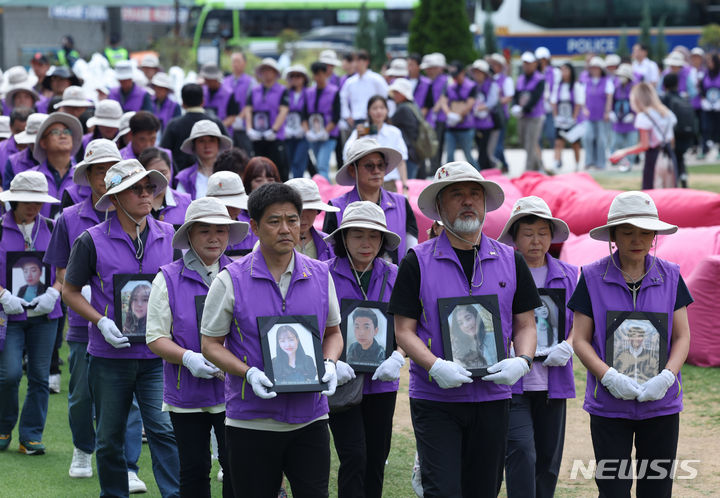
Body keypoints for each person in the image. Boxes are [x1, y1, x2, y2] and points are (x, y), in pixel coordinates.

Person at [388, 161, 540, 497]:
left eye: (475, 194)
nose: (468, 201)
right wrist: (434, 365)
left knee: (483, 489)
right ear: (440, 207)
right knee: (442, 489)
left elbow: (526, 324)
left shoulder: (510, 260)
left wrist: (523, 360)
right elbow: (403, 331)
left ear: (485, 204)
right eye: (457, 195)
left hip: (493, 397)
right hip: (435, 399)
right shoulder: (417, 260)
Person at [200, 182, 342, 498]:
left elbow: (333, 333)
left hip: (311, 417)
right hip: (251, 421)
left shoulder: (320, 274)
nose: (285, 229)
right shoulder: (230, 279)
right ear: (254, 226)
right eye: (274, 221)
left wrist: (330, 363)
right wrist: (247, 372)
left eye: (292, 220)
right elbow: (210, 343)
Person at [62, 159, 180, 497]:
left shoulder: (170, 235)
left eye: (149, 188)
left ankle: (174, 494)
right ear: (115, 198)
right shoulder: (90, 240)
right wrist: (99, 320)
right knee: (110, 436)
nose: (146, 194)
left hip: (159, 354)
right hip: (109, 355)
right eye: (136, 189)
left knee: (163, 429)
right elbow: (70, 291)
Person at [569, 191, 692, 497]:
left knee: (657, 488)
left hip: (660, 405)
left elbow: (682, 336)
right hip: (609, 406)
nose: (637, 239)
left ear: (654, 236)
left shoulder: (672, 276)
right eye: (627, 232)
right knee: (613, 488)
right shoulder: (592, 277)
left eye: (645, 232)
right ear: (613, 235)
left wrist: (667, 376)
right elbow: (580, 339)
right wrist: (607, 375)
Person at [44, 139, 146, 485]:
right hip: (85, 324)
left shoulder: (140, 213)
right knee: (82, 395)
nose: (105, 176)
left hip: (133, 327)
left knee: (128, 400)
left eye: (110, 168)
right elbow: (60, 272)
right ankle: (83, 447)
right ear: (87, 176)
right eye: (98, 170)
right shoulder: (69, 218)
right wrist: (87, 294)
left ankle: (128, 466)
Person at [147, 196, 248, 498]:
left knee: (236, 466)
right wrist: (188, 357)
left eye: (220, 230)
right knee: (193, 468)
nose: (214, 238)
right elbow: (155, 337)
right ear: (189, 235)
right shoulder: (167, 278)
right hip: (185, 393)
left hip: (234, 390)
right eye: (204, 231)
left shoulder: (241, 273)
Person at [497, 195, 577, 498]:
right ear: (515, 237)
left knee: (548, 459)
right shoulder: (502, 272)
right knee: (520, 452)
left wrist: (568, 346)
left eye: (543, 233)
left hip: (553, 381)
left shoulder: (569, 275)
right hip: (514, 381)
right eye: (528, 233)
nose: (536, 241)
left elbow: (581, 325)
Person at [323, 200, 403, 498]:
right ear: (344, 238)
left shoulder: (395, 274)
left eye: (373, 235)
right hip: (342, 382)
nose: (365, 243)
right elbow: (312, 324)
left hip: (383, 383)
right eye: (357, 235)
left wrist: (399, 355)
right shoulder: (324, 274)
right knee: (354, 456)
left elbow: (410, 324)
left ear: (383, 239)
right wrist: (328, 361)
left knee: (376, 459)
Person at [0, 171, 62, 455]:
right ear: (14, 200)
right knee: (9, 374)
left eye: (38, 200)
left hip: (45, 316)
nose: (33, 206)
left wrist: (55, 292)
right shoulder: (0, 228)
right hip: (7, 315)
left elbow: (66, 269)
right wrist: (2, 295)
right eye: (26, 200)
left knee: (39, 376)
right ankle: (3, 428)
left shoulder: (52, 227)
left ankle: (31, 435)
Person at [324, 138, 418, 264]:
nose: (376, 171)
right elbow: (329, 254)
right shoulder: (336, 207)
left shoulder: (401, 203)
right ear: (353, 170)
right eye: (369, 166)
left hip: (394, 282)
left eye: (380, 165)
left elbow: (411, 250)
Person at [609, 82, 678, 190]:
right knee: (670, 194)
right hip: (669, 156)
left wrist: (624, 152)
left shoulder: (643, 116)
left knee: (651, 194)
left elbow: (644, 145)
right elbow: (672, 139)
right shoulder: (667, 113)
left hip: (654, 157)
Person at [344, 96, 410, 192]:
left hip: (389, 184)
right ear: (368, 112)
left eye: (382, 108)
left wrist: (405, 186)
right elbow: (347, 154)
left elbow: (401, 161)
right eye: (374, 108)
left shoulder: (394, 132)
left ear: (387, 111)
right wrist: (358, 138)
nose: (378, 111)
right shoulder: (362, 130)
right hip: (367, 183)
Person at [161, 83, 229, 172]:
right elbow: (228, 151)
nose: (206, 145)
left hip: (179, 173)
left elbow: (164, 153)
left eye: (211, 140)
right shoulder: (215, 122)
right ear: (203, 101)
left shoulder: (173, 125)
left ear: (183, 104)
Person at [31, 112, 83, 218]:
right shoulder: (31, 177)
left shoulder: (84, 177)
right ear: (43, 143)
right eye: (55, 132)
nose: (63, 135)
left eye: (67, 131)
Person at [245, 58, 290, 180]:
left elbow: (283, 111)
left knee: (279, 169)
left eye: (269, 70)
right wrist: (249, 129)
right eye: (263, 70)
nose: (266, 73)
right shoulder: (254, 90)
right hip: (257, 135)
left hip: (274, 137)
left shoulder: (282, 90)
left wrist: (274, 130)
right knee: (258, 168)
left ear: (275, 73)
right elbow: (248, 110)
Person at [176, 120, 233, 199]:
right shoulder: (185, 177)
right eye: (201, 141)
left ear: (218, 144)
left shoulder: (230, 174)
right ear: (194, 146)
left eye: (211, 140)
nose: (207, 146)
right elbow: (181, 205)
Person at [206, 170, 257, 256]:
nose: (233, 210)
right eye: (226, 206)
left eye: (236, 205)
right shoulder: (199, 232)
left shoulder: (253, 228)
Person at [285, 177, 337, 261]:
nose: (303, 216)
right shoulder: (271, 243)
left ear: (317, 211)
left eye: (310, 209)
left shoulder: (329, 242)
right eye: (298, 210)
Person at [138, 147, 191, 227]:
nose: (160, 178)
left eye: (163, 173)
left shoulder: (186, 202)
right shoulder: (135, 203)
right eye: (153, 174)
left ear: (170, 171)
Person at [306, 61, 341, 181]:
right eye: (315, 75)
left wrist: (325, 131)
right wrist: (308, 132)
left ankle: (325, 194)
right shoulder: (309, 92)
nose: (318, 78)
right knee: (319, 164)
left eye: (320, 74)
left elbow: (336, 115)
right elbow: (304, 114)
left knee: (322, 165)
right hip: (314, 134)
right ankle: (325, 189)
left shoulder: (334, 91)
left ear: (326, 74)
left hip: (329, 135)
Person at [440, 61, 478, 169]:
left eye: (457, 75)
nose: (455, 78)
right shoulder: (449, 86)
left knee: (468, 155)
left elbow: (470, 103)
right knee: (449, 156)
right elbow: (443, 101)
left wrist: (459, 116)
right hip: (451, 127)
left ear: (463, 72)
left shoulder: (471, 86)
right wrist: (449, 114)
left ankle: (479, 178)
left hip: (466, 127)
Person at [513, 52, 546, 172]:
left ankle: (528, 170)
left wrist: (523, 108)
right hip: (522, 116)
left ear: (534, 64)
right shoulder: (521, 78)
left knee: (531, 143)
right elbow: (516, 94)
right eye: (524, 63)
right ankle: (540, 166)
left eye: (528, 63)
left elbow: (535, 97)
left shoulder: (539, 79)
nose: (526, 66)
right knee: (523, 141)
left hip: (534, 116)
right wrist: (515, 106)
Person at [340, 50, 389, 131]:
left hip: (373, 120)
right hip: (356, 120)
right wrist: (347, 115)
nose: (355, 64)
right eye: (354, 61)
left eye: (358, 61)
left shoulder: (376, 79)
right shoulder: (350, 81)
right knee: (357, 142)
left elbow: (386, 97)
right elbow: (343, 98)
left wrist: (383, 115)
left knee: (372, 142)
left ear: (366, 62)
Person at [662, 72, 695, 187]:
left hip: (673, 135)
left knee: (672, 160)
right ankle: (684, 179)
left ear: (664, 85)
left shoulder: (665, 99)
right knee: (680, 158)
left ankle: (674, 184)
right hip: (686, 134)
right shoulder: (683, 99)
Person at [581, 57, 614, 170]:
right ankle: (589, 161)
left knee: (601, 139)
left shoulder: (606, 81)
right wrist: (584, 108)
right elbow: (583, 97)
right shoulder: (587, 81)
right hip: (589, 115)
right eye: (592, 68)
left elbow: (609, 97)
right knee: (588, 137)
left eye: (596, 68)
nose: (594, 70)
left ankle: (601, 163)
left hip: (601, 115)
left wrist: (607, 111)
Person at [551, 62, 584, 171]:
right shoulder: (558, 86)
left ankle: (577, 164)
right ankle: (556, 163)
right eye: (562, 70)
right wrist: (556, 117)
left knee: (575, 144)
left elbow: (579, 103)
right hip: (561, 118)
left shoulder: (576, 85)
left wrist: (574, 118)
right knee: (558, 142)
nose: (563, 72)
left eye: (566, 70)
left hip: (572, 119)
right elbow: (554, 102)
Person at [420, 53, 449, 175]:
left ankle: (435, 169)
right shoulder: (428, 81)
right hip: (429, 119)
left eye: (431, 68)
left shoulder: (445, 81)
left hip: (441, 119)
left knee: (437, 146)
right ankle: (432, 168)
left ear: (440, 68)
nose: (428, 71)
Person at [388, 78, 422, 179]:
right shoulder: (414, 106)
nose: (394, 95)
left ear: (403, 93)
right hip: (415, 153)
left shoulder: (403, 109)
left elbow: (388, 124)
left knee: (406, 186)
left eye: (396, 92)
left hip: (409, 154)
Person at [469, 59, 500, 170]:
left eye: (479, 72)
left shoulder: (492, 85)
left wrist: (481, 107)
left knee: (486, 149)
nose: (477, 74)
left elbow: (492, 102)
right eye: (475, 72)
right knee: (479, 147)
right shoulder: (473, 85)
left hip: (488, 122)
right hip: (475, 122)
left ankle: (485, 169)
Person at [3, 112, 44, 191]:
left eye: (38, 142)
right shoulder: (13, 162)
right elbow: (8, 195)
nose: (35, 146)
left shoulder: (66, 160)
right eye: (32, 143)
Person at [223, 51, 255, 154]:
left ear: (245, 63)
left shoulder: (251, 81)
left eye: (238, 61)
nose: (235, 64)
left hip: (243, 126)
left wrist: (239, 118)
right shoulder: (225, 81)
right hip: (227, 126)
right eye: (233, 62)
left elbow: (251, 103)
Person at [283, 65, 310, 179]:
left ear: (304, 78)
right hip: (287, 133)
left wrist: (306, 130)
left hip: (303, 133)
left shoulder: (309, 93)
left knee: (299, 161)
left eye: (298, 76)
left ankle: (298, 186)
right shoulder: (285, 93)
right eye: (292, 76)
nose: (295, 79)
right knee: (287, 160)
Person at [448, 304, 496, 370]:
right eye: (460, 323)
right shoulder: (456, 349)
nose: (466, 325)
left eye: (468, 318)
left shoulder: (493, 338)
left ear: (476, 316)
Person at [610, 64, 638, 173]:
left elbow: (637, 102)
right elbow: (613, 101)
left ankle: (629, 163)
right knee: (618, 142)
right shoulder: (617, 87)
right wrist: (612, 112)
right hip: (619, 119)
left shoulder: (634, 87)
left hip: (630, 121)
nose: (621, 77)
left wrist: (633, 114)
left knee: (631, 143)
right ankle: (622, 162)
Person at [489, 53, 515, 171]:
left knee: (498, 144)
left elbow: (509, 97)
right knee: (493, 142)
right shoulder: (490, 79)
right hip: (489, 115)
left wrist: (496, 102)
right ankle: (502, 164)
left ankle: (502, 164)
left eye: (494, 64)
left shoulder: (506, 80)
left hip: (500, 115)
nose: (492, 66)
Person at [200, 64, 240, 133]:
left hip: (223, 133)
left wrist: (218, 127)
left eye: (208, 79)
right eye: (205, 79)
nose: (206, 81)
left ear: (215, 79)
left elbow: (232, 117)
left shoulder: (229, 93)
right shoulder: (202, 91)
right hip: (204, 132)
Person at [535, 47, 558, 151]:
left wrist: (553, 102)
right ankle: (539, 161)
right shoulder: (535, 73)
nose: (542, 62)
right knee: (537, 136)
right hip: (538, 109)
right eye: (540, 60)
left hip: (550, 108)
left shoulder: (555, 72)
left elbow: (557, 88)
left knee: (551, 134)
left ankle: (556, 158)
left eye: (544, 60)